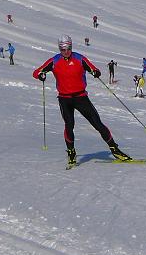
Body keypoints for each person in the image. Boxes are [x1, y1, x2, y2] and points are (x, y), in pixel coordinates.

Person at [33, 35, 132, 165]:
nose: (66, 52)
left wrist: (95, 72)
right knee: (69, 126)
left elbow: (94, 69)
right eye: (63, 49)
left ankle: (115, 149)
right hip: (64, 99)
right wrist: (41, 75)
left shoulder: (79, 59)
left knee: (97, 124)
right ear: (59, 49)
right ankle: (71, 152)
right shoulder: (54, 61)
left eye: (68, 48)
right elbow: (36, 72)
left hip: (81, 97)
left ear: (71, 47)